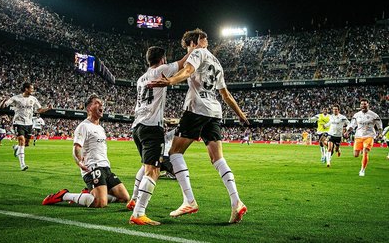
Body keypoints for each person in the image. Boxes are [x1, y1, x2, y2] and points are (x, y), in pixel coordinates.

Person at [149, 28, 249, 224]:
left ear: (193, 43)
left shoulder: (198, 52)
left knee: (174, 152)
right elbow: (226, 95)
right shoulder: (217, 63)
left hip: (196, 109)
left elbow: (187, 71)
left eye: (188, 46)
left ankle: (189, 200)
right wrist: (241, 115)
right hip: (214, 112)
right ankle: (236, 201)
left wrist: (170, 81)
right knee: (217, 158)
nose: (188, 51)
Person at [128, 46, 193, 225]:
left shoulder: (141, 79)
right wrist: (194, 49)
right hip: (151, 128)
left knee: (147, 167)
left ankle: (134, 200)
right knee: (153, 170)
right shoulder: (162, 70)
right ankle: (138, 213)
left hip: (138, 127)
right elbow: (182, 63)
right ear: (162, 59)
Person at [42, 94, 130, 207]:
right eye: (96, 103)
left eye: (101, 103)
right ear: (89, 108)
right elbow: (77, 147)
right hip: (92, 167)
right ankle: (64, 195)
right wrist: (79, 162)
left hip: (106, 168)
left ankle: (89, 194)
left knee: (124, 197)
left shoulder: (101, 128)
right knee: (100, 203)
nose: (101, 105)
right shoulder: (84, 126)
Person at [0, 82, 52, 171]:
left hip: (29, 123)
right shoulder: (16, 98)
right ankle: (22, 164)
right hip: (18, 122)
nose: (33, 90)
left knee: (26, 144)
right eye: (31, 88)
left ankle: (16, 147)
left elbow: (39, 110)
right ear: (26, 89)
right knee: (22, 141)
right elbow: (2, 107)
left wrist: (48, 108)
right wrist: (3, 101)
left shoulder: (33, 99)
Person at [345, 99, 383, 177]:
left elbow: (380, 125)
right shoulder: (356, 115)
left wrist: (380, 133)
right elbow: (352, 125)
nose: (363, 106)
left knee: (365, 151)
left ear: (368, 104)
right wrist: (347, 132)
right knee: (356, 155)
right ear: (360, 105)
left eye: (365, 104)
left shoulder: (374, 115)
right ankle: (363, 150)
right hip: (358, 136)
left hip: (369, 135)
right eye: (362, 104)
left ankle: (362, 170)